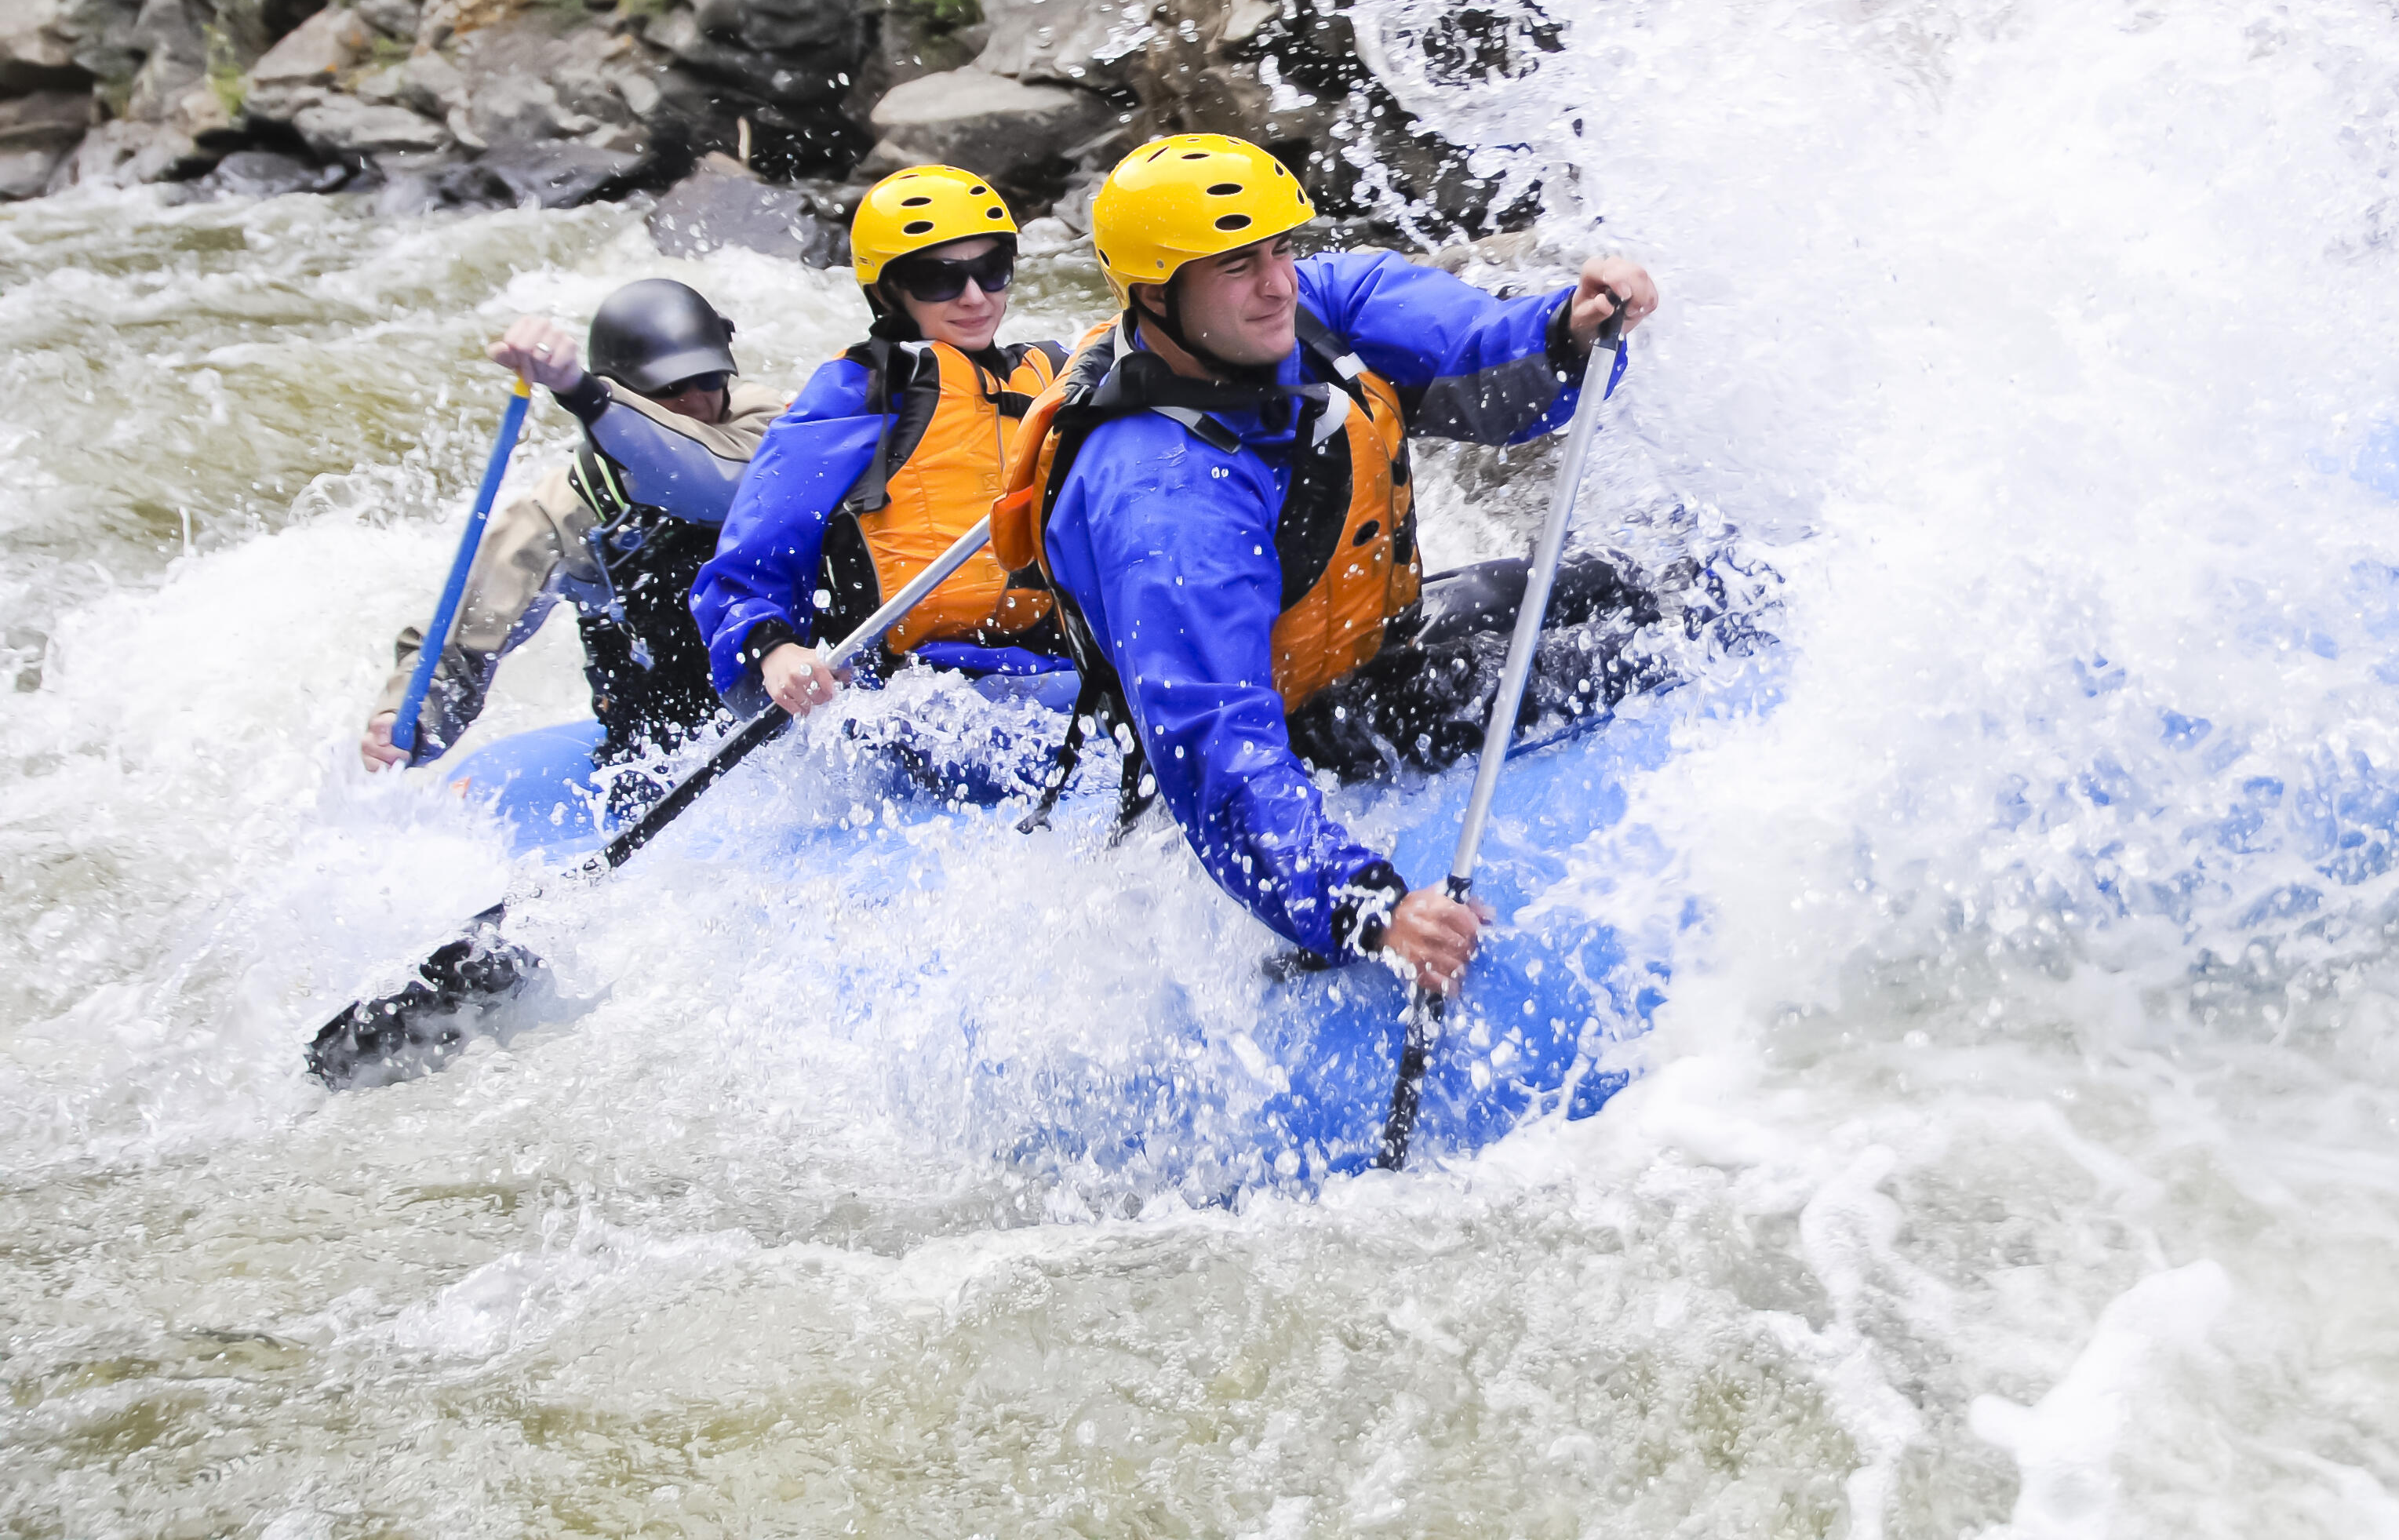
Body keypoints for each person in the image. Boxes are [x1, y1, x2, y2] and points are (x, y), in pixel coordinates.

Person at [996, 133, 1662, 998]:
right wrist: (1370, 909)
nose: (1278, 282)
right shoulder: (1164, 500)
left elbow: (1478, 350)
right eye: (1238, 266)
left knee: (1632, 579)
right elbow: (1216, 748)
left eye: (1281, 250)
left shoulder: (1306, 308)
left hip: (1380, 645)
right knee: (1627, 655)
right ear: (1159, 294)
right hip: (1306, 733)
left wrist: (1565, 329)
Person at [691, 164, 1070, 726]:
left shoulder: (1056, 377)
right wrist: (773, 648)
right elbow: (753, 553)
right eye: (940, 279)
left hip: (1055, 666)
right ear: (889, 291)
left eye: (992, 270)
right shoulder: (855, 396)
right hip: (914, 697)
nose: (974, 297)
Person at [362, 279, 788, 773]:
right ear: (626, 391)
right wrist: (408, 718)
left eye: (709, 379)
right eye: (670, 388)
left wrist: (583, 393)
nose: (695, 400)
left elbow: (717, 479)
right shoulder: (567, 509)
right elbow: (463, 643)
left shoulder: (766, 420)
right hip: (664, 753)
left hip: (792, 694)